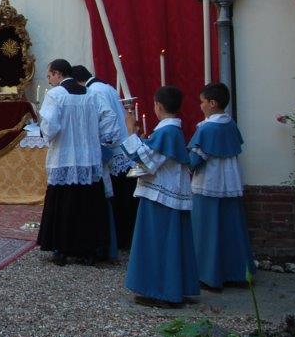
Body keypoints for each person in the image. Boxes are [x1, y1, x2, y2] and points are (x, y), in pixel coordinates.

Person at [121, 85, 199, 308]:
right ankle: (174, 288)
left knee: (159, 243)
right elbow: (155, 154)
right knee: (172, 242)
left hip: (160, 196)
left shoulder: (167, 132)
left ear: (158, 106)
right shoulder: (172, 131)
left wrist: (130, 132)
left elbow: (146, 161)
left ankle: (162, 292)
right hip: (168, 193)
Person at [37, 59, 109, 266]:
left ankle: (61, 248)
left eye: (50, 75)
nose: (49, 80)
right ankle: (88, 250)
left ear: (58, 74)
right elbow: (108, 119)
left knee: (64, 203)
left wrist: (45, 134)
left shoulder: (56, 95)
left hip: (65, 156)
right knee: (87, 204)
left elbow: (50, 126)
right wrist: (97, 137)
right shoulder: (92, 94)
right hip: (88, 157)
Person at [188, 82, 254, 291]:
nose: (200, 106)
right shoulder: (231, 124)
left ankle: (209, 275)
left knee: (207, 229)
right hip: (230, 183)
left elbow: (194, 159)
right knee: (231, 228)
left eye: (202, 102)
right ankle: (238, 273)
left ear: (212, 103)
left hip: (209, 183)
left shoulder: (207, 129)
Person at [72, 65, 133, 257]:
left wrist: (101, 142)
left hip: (113, 149)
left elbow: (108, 118)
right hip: (123, 147)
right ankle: (124, 238)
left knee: (117, 198)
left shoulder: (94, 91)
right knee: (123, 196)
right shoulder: (107, 87)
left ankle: (121, 239)